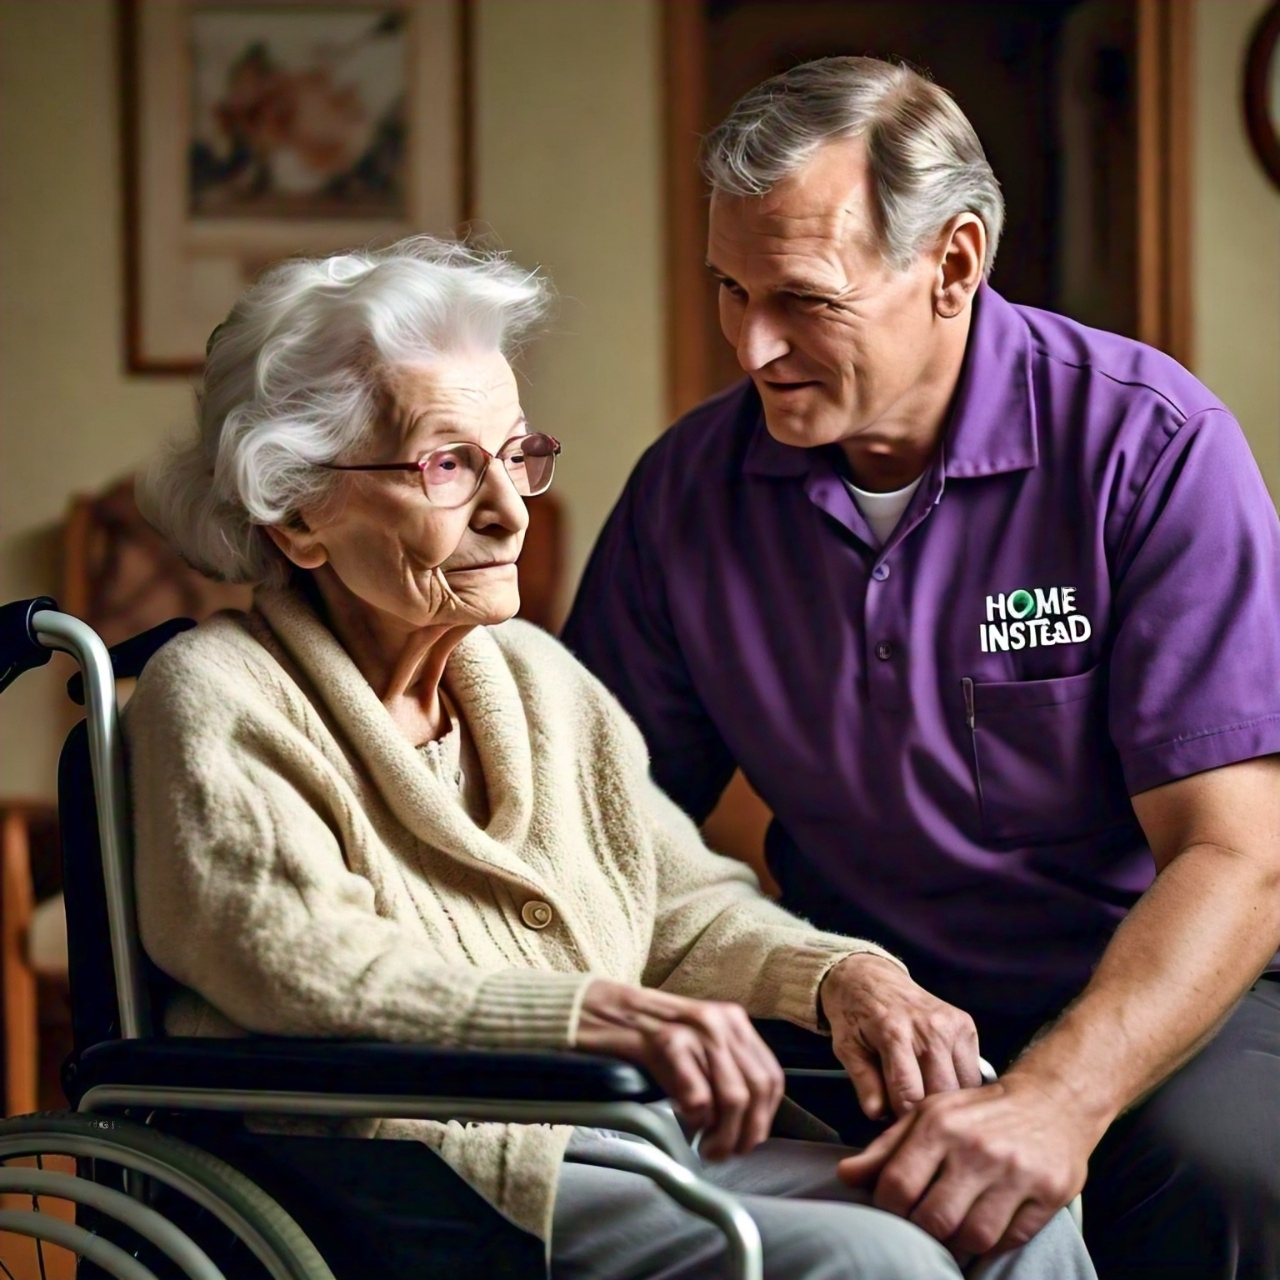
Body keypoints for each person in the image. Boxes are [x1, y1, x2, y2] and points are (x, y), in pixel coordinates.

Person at [125, 236, 1093, 1279]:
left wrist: (839, 975)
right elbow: (293, 954)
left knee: (1011, 1208)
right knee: (871, 1261)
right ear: (299, 511)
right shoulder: (216, 693)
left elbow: (679, 904)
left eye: (516, 453)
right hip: (397, 1171)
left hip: (619, 1139)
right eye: (447, 463)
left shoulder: (537, 678)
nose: (509, 509)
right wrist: (587, 1011)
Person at [563, 56, 1280, 1280]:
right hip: (859, 1008)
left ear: (952, 264)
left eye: (799, 298)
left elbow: (1237, 853)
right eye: (729, 292)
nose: (751, 345)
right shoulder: (685, 492)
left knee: (1226, 1170)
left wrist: (1057, 1097)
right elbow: (598, 828)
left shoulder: (1148, 445)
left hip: (1145, 992)